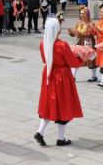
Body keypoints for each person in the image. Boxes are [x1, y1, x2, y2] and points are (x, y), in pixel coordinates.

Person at [34, 18, 84, 147]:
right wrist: (82, 57)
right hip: (62, 76)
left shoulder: (42, 43)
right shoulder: (62, 45)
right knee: (64, 104)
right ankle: (61, 138)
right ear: (57, 30)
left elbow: (44, 59)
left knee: (49, 104)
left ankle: (40, 132)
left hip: (49, 74)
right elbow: (72, 62)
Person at [68, 7, 98, 82]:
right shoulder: (79, 23)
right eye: (81, 14)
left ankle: (94, 76)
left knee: (91, 59)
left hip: (88, 42)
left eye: (84, 14)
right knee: (77, 58)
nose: (82, 15)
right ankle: (72, 76)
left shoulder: (91, 24)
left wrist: (77, 34)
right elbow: (76, 33)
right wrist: (71, 33)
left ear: (88, 14)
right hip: (80, 42)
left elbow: (86, 34)